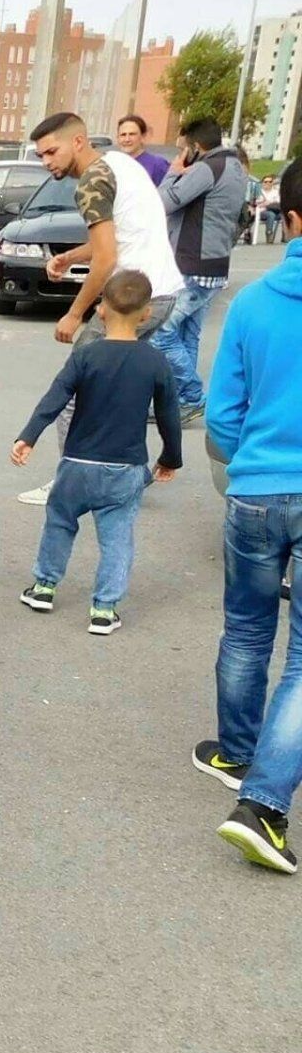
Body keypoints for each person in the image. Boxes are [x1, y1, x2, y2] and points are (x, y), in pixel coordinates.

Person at [195, 158, 302, 874]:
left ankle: (237, 752)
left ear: (289, 219)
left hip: (256, 490)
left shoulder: (257, 301)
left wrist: (251, 460)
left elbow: (223, 416)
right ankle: (265, 803)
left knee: (246, 625)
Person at [16, 111, 185, 504]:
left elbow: (107, 259)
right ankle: (125, 474)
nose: (46, 162)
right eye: (40, 155)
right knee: (119, 386)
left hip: (133, 296)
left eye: (51, 152)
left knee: (76, 384)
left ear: (78, 141)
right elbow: (117, 236)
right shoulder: (121, 163)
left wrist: (75, 314)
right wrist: (69, 256)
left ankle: (71, 482)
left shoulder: (92, 180)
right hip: (159, 291)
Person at [12, 269, 181, 634]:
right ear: (147, 313)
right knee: (117, 537)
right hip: (125, 467)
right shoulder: (155, 362)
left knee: (59, 522)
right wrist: (170, 458)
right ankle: (103, 610)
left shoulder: (86, 356)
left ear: (101, 309)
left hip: (77, 464)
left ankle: (43, 587)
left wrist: (29, 436)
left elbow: (55, 397)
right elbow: (169, 415)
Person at [152, 117, 248, 426]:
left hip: (193, 264)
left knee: (161, 331)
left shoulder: (208, 168)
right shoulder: (236, 168)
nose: (181, 154)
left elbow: (164, 202)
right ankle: (181, 403)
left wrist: (172, 173)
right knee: (187, 335)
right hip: (216, 263)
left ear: (196, 147)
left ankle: (192, 395)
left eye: (183, 148)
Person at [117, 113, 169, 185]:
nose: (127, 139)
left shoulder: (157, 164)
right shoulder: (112, 165)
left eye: (132, 134)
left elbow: (165, 193)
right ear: (118, 138)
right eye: (123, 135)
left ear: (142, 137)